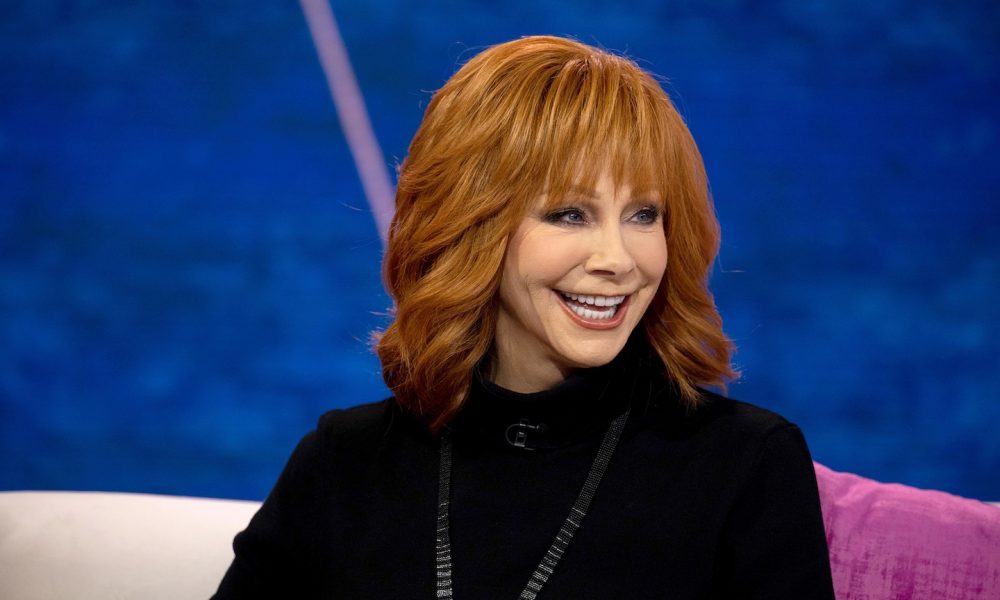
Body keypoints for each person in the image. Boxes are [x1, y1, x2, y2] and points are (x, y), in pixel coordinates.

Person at [214, 35, 835, 599]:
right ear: (471, 225)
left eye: (645, 214)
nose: (618, 259)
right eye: (570, 214)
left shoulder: (747, 463)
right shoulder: (342, 463)